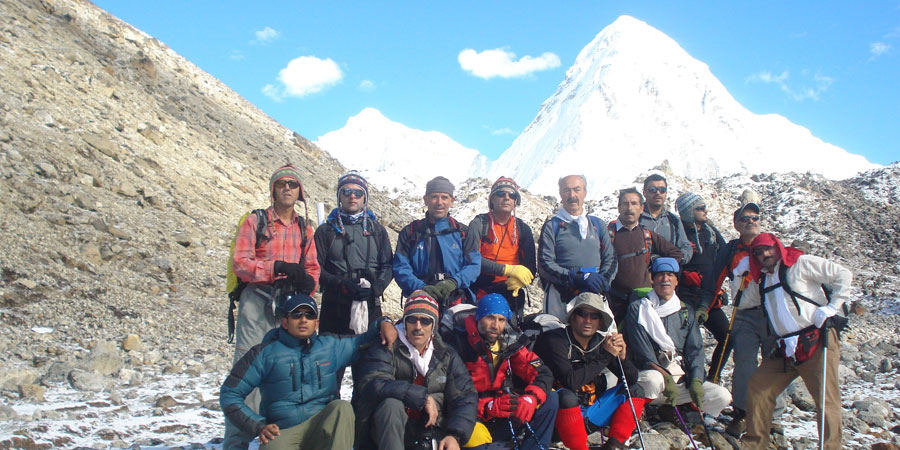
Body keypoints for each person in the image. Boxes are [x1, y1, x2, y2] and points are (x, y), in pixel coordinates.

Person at [220, 292, 398, 450]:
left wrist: (384, 322)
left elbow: (364, 340)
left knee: (342, 408)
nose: (303, 320)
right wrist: (257, 426)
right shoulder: (264, 354)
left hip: (321, 428)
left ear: (316, 322)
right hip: (283, 430)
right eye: (297, 315)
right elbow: (230, 394)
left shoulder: (329, 346)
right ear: (284, 322)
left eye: (309, 315)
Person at [227, 164, 320, 449]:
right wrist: (275, 268)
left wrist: (307, 284)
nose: (288, 189)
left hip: (290, 306)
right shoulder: (255, 222)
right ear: (273, 190)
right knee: (248, 369)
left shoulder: (306, 229)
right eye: (282, 184)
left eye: (293, 184)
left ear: (299, 192)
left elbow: (313, 267)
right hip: (256, 300)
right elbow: (241, 263)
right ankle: (236, 442)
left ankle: (282, 440)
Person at [741, 233, 852, 450]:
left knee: (825, 399)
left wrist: (832, 307)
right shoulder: (761, 279)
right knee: (759, 386)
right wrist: (739, 276)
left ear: (777, 246)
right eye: (759, 251)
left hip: (817, 340)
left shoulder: (801, 264)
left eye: (769, 248)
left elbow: (843, 274)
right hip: (786, 348)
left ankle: (830, 447)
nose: (765, 254)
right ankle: (754, 444)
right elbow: (744, 302)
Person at [699, 201, 785, 437]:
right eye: (745, 218)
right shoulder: (730, 250)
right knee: (745, 364)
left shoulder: (771, 246)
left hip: (773, 313)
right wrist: (706, 306)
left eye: (755, 217)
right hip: (744, 314)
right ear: (736, 224)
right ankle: (742, 413)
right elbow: (714, 280)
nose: (751, 221)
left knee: (775, 363)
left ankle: (772, 415)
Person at [354, 291, 478, 450]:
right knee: (391, 405)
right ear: (405, 322)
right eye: (412, 319)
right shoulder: (387, 345)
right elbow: (372, 382)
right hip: (387, 431)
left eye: (425, 321)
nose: (418, 327)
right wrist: (421, 397)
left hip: (431, 431)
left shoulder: (446, 354)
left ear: (434, 325)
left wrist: (455, 435)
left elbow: (465, 396)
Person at [533, 293, 653, 450]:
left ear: (600, 322)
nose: (588, 320)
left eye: (594, 316)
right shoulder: (555, 341)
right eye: (582, 314)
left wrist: (623, 358)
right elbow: (571, 382)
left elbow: (631, 379)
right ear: (572, 317)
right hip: (559, 420)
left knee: (636, 390)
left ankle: (613, 446)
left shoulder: (600, 343)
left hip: (590, 414)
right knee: (565, 396)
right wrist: (606, 356)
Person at [441, 294, 559, 450]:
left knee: (550, 397)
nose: (495, 325)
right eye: (490, 317)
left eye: (501, 320)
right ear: (478, 317)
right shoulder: (459, 345)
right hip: (471, 416)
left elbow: (542, 372)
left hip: (503, 410)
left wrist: (531, 398)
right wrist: (487, 407)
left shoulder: (509, 343)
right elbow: (449, 394)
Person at [623, 258, 732, 422]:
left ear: (676, 281)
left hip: (680, 377)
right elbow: (642, 351)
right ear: (652, 279)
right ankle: (642, 408)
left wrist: (695, 379)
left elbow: (695, 349)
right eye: (660, 275)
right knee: (653, 380)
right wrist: (665, 376)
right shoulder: (638, 308)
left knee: (721, 396)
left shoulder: (686, 311)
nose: (665, 279)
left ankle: (681, 408)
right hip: (652, 377)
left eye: (670, 275)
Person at [314, 171, 393, 335]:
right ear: (339, 196)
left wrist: (376, 289)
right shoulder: (326, 231)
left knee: (369, 355)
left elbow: (388, 265)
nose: (352, 197)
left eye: (358, 192)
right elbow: (316, 267)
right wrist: (341, 285)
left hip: (369, 303)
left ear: (364, 197)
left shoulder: (377, 230)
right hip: (334, 305)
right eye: (346, 192)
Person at [394, 176, 481, 312]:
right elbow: (401, 267)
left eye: (444, 197)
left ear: (452, 201)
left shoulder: (463, 232)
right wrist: (421, 287)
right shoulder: (410, 232)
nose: (439, 202)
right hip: (420, 298)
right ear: (425, 200)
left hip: (456, 297)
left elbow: (474, 265)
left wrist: (453, 282)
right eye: (434, 197)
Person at [538, 175, 617, 321]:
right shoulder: (552, 227)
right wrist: (575, 278)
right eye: (566, 190)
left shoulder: (598, 225)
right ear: (560, 194)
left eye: (576, 190)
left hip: (594, 295)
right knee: (557, 337)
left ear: (585, 193)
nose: (572, 195)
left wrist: (602, 281)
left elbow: (610, 258)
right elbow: (545, 264)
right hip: (560, 297)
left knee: (600, 338)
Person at [465, 176, 536, 327]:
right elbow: (472, 259)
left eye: (512, 195)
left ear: (516, 201)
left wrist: (520, 280)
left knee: (512, 337)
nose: (506, 198)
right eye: (501, 194)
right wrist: (508, 269)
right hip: (481, 291)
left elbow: (531, 266)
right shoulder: (479, 224)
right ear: (492, 199)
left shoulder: (523, 229)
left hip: (512, 293)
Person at [674, 193, 729, 378]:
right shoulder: (678, 233)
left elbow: (725, 256)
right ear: (688, 211)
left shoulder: (710, 232)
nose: (705, 211)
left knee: (727, 337)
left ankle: (713, 378)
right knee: (690, 344)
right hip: (685, 296)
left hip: (709, 295)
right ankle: (693, 382)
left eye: (704, 207)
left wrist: (720, 287)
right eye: (699, 208)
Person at [607, 188, 682, 323]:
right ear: (619, 207)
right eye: (625, 204)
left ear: (641, 208)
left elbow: (676, 254)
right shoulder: (607, 234)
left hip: (643, 301)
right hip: (614, 302)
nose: (629, 208)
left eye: (634, 203)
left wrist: (656, 269)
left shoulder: (647, 234)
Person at [640, 174, 692, 265]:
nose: (658, 193)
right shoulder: (636, 218)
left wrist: (678, 260)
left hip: (668, 273)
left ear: (666, 193)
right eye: (652, 190)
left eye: (662, 190)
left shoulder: (673, 220)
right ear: (644, 193)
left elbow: (685, 245)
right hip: (641, 274)